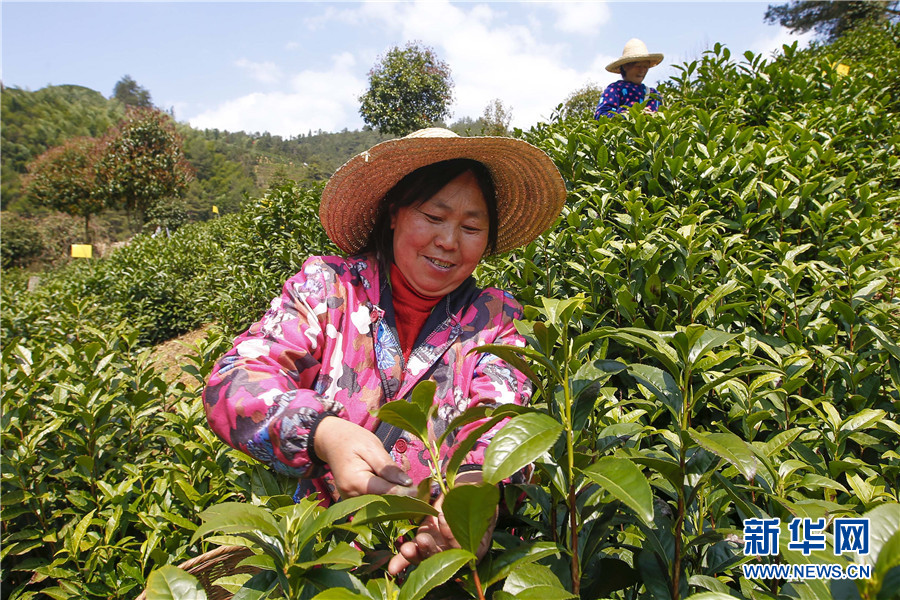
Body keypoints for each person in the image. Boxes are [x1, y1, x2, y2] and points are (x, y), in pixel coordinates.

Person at [202, 128, 566, 576]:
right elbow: (235, 378)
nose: (450, 241)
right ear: (393, 213)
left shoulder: (497, 318)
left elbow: (500, 415)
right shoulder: (328, 288)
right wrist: (323, 432)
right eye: (434, 216)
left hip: (442, 564)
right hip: (322, 557)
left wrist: (474, 495)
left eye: (471, 227)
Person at [594, 38, 664, 119]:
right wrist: (630, 116)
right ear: (625, 66)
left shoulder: (653, 94)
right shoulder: (615, 89)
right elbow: (601, 117)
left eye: (645, 67)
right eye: (638, 66)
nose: (642, 71)